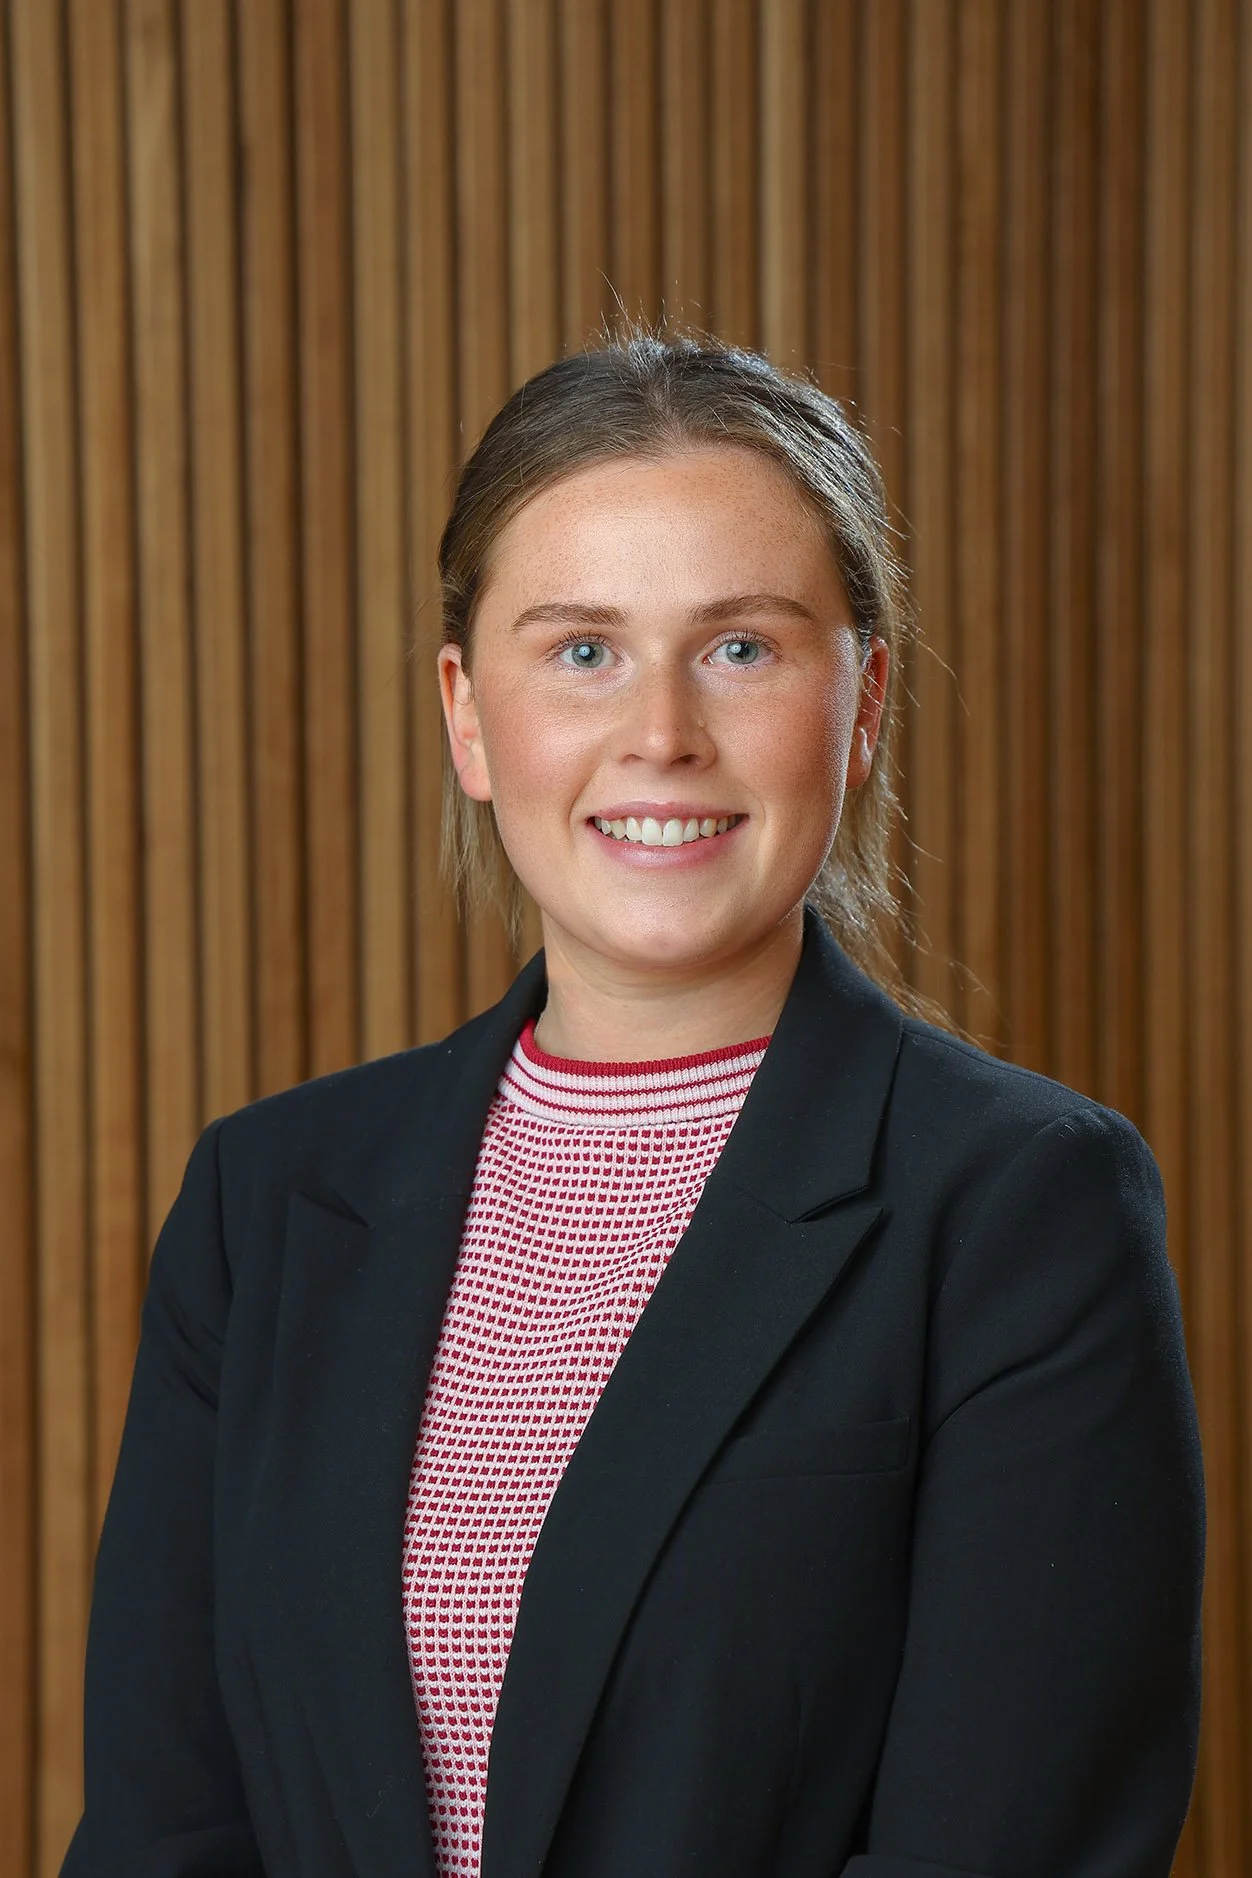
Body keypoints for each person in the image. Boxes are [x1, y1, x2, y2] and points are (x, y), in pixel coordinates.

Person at [63, 330, 1203, 1878]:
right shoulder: (263, 1202)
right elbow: (164, 1829)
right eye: (583, 650)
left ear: (863, 702)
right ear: (471, 716)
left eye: (741, 647)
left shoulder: (1024, 1207)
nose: (661, 731)